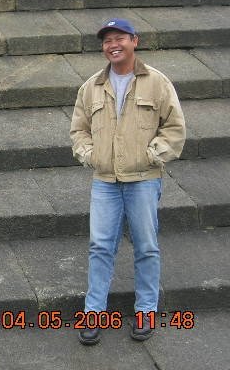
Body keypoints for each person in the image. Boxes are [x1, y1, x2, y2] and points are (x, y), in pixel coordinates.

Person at [70, 18, 186, 345]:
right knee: (100, 247)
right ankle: (94, 314)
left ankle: (146, 311)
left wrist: (152, 155)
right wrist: (90, 155)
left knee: (146, 247)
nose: (113, 45)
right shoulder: (91, 86)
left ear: (135, 40)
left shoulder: (157, 83)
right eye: (107, 40)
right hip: (104, 180)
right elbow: (78, 129)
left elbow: (175, 128)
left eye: (119, 38)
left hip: (144, 179)